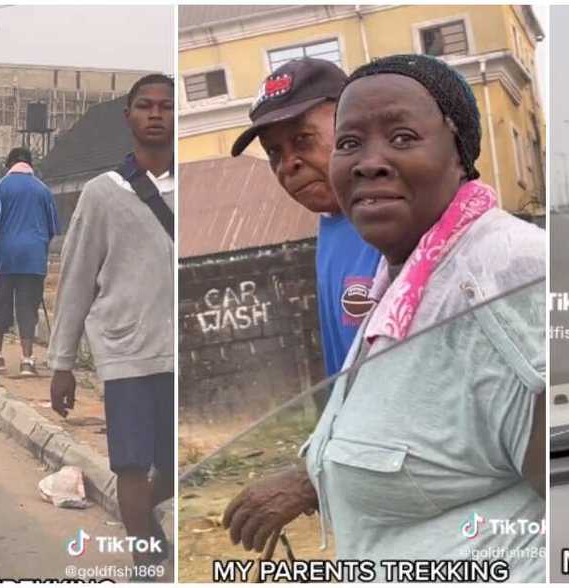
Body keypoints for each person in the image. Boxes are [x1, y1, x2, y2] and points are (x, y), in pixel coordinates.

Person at [222, 55, 545, 582]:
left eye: (400, 136)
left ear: (457, 151)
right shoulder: (382, 250)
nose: (369, 162)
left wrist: (309, 482)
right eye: (351, 144)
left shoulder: (503, 276)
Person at [46, 73, 174, 576]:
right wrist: (61, 363)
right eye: (145, 106)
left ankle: (151, 534)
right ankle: (148, 563)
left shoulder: (195, 186)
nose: (156, 114)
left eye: (166, 106)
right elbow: (76, 279)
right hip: (127, 352)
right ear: (129, 118)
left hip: (181, 353)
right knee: (130, 467)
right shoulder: (102, 194)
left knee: (174, 468)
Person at [230, 58, 381, 378]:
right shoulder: (332, 223)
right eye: (274, 152)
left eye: (302, 140)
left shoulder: (398, 230)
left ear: (351, 125)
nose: (288, 164)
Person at [0, 147, 58, 377]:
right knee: (28, 307)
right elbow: (52, 230)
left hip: (7, 256)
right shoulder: (44, 190)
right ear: (30, 165)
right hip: (34, 257)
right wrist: (38, 249)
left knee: (1, 304)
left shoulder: (0, 187)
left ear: (9, 165)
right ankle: (27, 360)